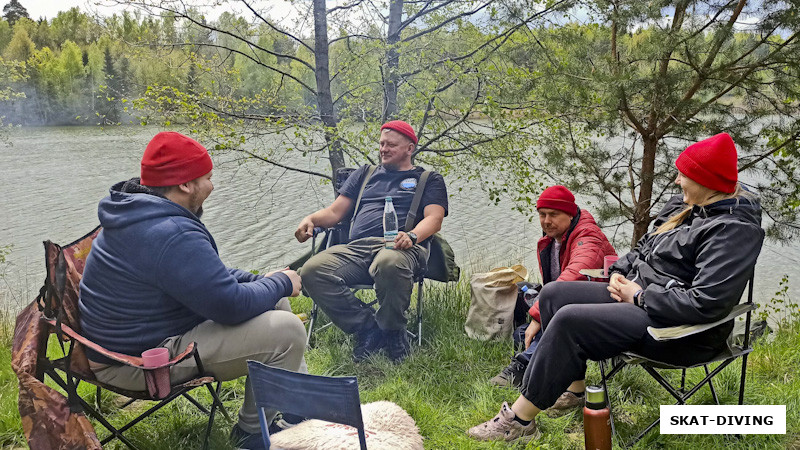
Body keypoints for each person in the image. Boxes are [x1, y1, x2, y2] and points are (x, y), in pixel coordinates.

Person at [467, 132, 765, 442]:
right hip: (642, 301)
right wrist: (619, 273)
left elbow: (706, 302)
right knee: (554, 293)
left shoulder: (733, 230)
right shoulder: (685, 206)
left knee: (571, 320)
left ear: (706, 182)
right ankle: (574, 390)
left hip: (683, 330)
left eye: (684, 175)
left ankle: (518, 422)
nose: (677, 181)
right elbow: (643, 249)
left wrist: (638, 296)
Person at [78, 131, 306, 449]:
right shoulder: (169, 232)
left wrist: (260, 280)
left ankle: (297, 408)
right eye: (208, 178)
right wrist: (282, 281)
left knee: (274, 301)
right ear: (186, 185)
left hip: (138, 342)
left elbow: (208, 276)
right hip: (136, 364)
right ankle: (252, 435)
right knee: (288, 331)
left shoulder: (140, 212)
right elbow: (230, 306)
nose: (212, 186)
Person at [296, 120, 448, 363]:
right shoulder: (365, 174)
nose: (383, 149)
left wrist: (412, 236)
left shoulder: (428, 179)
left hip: (401, 247)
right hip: (356, 249)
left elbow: (434, 219)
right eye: (381, 144)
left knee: (388, 262)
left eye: (391, 145)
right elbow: (335, 213)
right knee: (312, 271)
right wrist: (311, 219)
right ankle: (368, 329)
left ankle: (393, 331)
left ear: (410, 148)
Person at [489, 185, 616, 395]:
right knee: (523, 320)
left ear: (570, 213)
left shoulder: (588, 236)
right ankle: (538, 368)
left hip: (601, 309)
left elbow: (573, 276)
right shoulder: (555, 237)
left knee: (553, 322)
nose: (546, 221)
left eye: (553, 215)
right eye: (542, 215)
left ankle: (523, 366)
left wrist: (539, 316)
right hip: (572, 305)